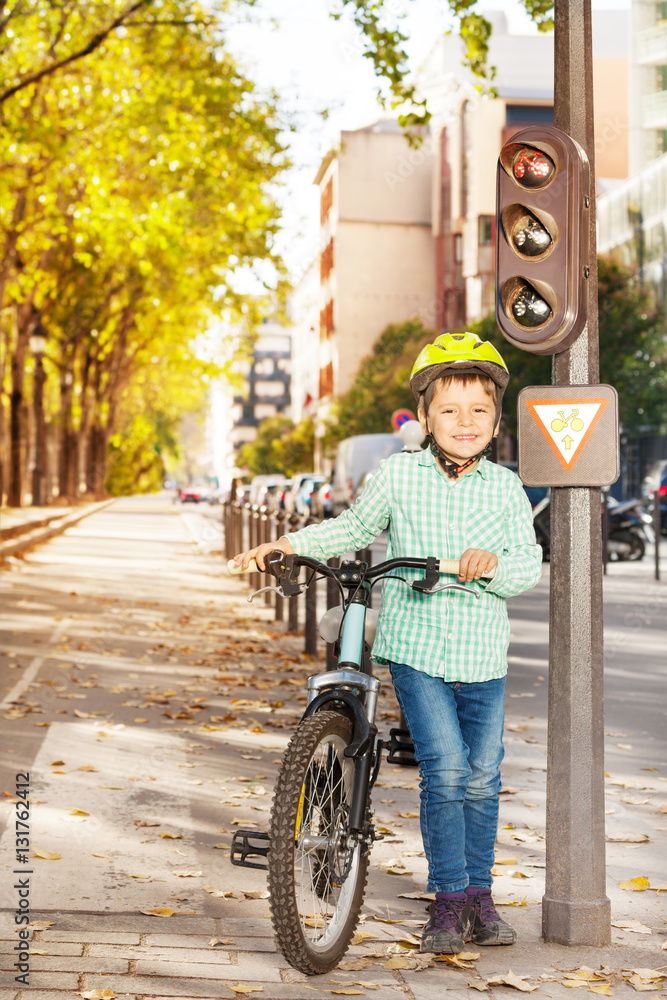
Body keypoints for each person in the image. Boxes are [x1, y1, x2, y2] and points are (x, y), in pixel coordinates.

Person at [233, 332, 543, 955]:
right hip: (416, 647)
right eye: (449, 410)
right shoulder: (398, 475)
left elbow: (528, 565)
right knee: (446, 770)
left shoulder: (506, 489)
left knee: (482, 776)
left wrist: (490, 567)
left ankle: (481, 900)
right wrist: (288, 545)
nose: (465, 422)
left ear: (495, 420)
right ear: (425, 417)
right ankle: (449, 902)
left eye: (479, 410)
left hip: (483, 652)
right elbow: (353, 526)